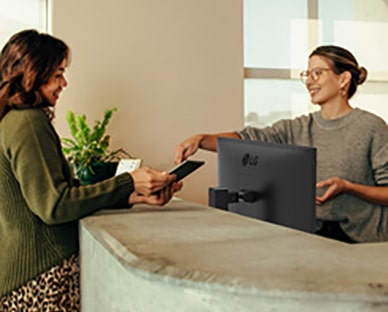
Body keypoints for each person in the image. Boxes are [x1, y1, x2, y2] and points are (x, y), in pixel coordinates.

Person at [0, 29, 182, 310]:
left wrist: (133, 195)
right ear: (35, 72)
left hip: (29, 277)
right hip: (42, 279)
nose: (64, 82)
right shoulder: (28, 123)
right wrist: (127, 183)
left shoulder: (14, 121)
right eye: (58, 73)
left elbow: (62, 194)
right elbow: (55, 205)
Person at [175, 45, 388, 244]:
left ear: (343, 79)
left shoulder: (372, 127)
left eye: (317, 73)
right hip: (313, 236)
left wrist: (348, 188)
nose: (309, 82)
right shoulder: (300, 127)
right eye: (307, 74)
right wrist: (202, 140)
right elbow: (249, 139)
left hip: (362, 243)